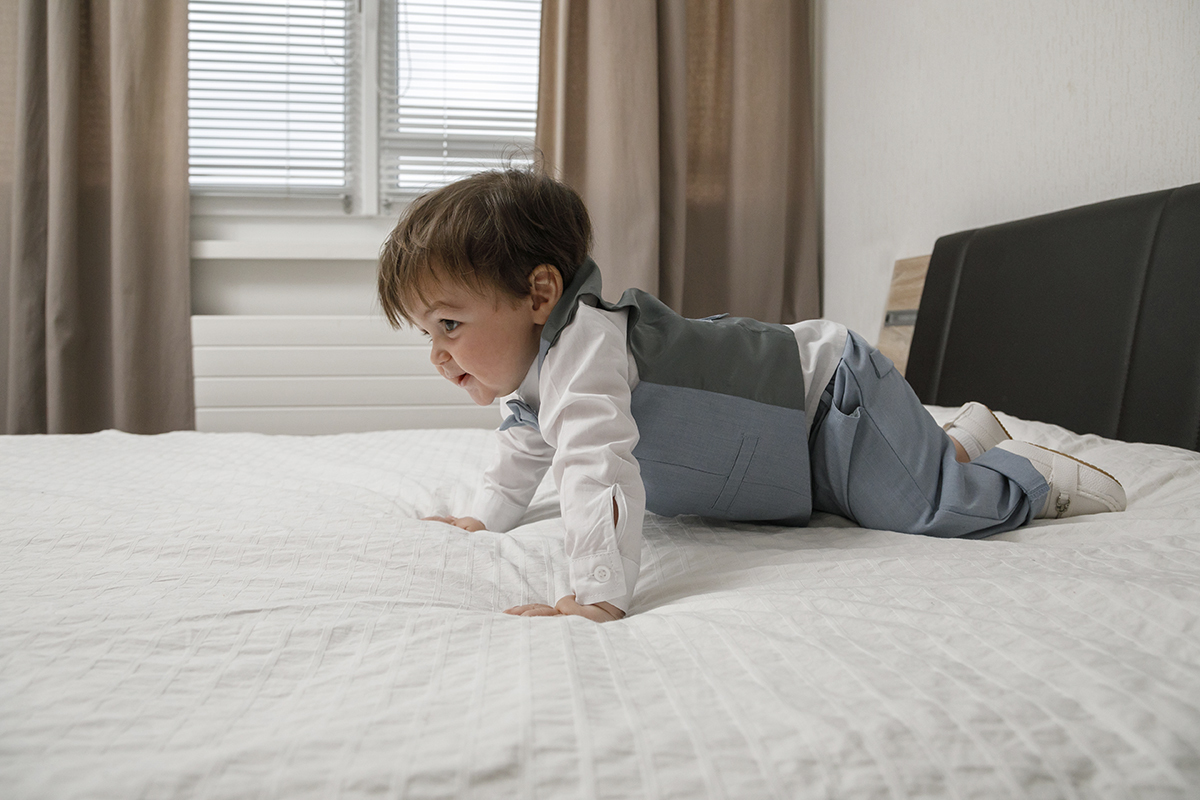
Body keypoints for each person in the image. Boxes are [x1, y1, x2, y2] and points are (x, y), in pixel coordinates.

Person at [377, 168, 1126, 623]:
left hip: (826, 403)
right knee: (860, 497)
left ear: (540, 294)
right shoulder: (537, 380)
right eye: (426, 333)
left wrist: (597, 591)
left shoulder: (587, 350)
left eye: (450, 324)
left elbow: (594, 469)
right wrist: (485, 516)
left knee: (927, 510)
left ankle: (1022, 474)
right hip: (786, 464)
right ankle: (958, 438)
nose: (438, 353)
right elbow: (525, 447)